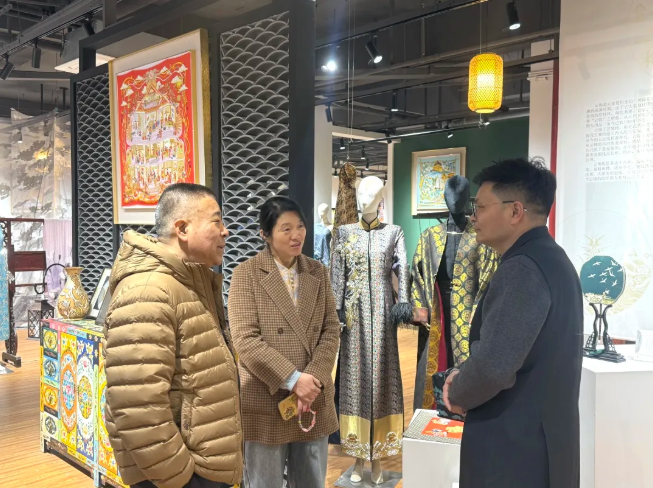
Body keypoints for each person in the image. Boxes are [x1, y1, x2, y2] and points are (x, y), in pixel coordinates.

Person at [443, 158, 583, 488]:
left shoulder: (522, 269)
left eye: (480, 207)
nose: (473, 217)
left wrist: (457, 390)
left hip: (512, 453)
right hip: (543, 444)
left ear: (515, 211)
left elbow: (493, 367)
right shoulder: (553, 259)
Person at [103, 183, 242, 488]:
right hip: (180, 476)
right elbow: (137, 406)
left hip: (202, 466)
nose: (226, 231)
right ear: (182, 229)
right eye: (216, 221)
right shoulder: (148, 290)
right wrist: (179, 476)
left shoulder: (189, 281)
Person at [228, 196, 340, 488]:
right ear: (265, 234)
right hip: (267, 398)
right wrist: (293, 380)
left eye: (300, 226)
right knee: (263, 482)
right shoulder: (246, 274)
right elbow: (245, 340)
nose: (296, 235)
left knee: (311, 481)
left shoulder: (317, 271)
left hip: (312, 397)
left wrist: (311, 379)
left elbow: (331, 329)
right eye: (286, 229)